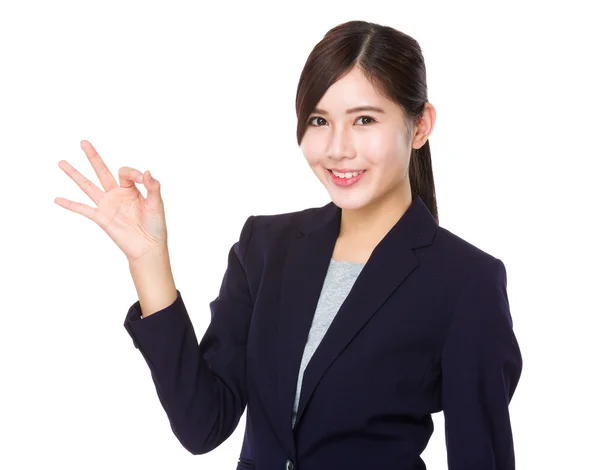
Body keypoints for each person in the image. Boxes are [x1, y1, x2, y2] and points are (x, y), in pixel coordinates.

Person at [55, 20, 523, 470]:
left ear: (420, 126)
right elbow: (203, 425)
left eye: (364, 119)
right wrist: (149, 260)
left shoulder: (466, 282)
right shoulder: (265, 247)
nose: (338, 148)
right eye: (319, 120)